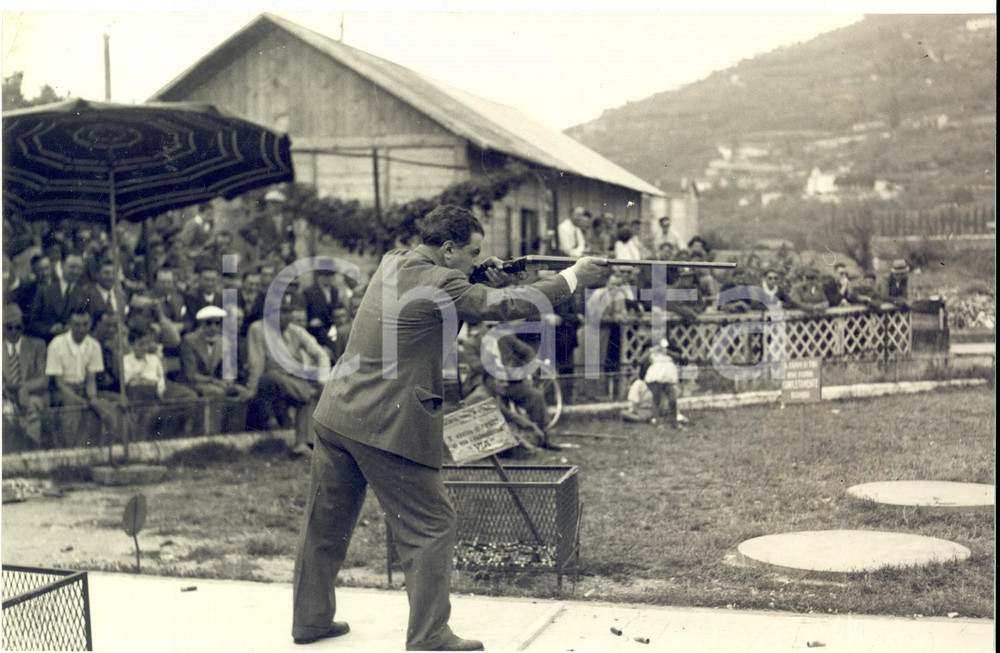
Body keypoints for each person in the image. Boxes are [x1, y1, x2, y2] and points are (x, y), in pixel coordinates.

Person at [292, 204, 606, 650]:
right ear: (447, 248)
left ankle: (310, 621)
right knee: (432, 525)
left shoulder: (394, 260)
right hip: (388, 423)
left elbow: (447, 288)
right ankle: (430, 635)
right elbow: (508, 305)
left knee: (324, 524)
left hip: (336, 414)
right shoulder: (443, 282)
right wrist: (573, 276)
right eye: (472, 252)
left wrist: (477, 272)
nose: (477, 259)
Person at [245, 296, 330, 456]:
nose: (289, 316)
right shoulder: (258, 329)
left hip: (292, 384)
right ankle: (308, 393)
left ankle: (302, 444)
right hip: (267, 383)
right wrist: (250, 391)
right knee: (276, 377)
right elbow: (257, 364)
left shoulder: (295, 331)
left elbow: (321, 354)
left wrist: (322, 380)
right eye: (283, 311)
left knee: (307, 397)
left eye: (290, 311)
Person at [45, 308, 120, 449]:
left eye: (85, 324)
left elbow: (91, 380)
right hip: (62, 391)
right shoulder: (56, 344)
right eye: (77, 325)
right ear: (69, 324)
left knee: (114, 404)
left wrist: (92, 398)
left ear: (90, 324)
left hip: (84, 389)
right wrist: (81, 401)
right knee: (73, 408)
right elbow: (59, 383)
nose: (81, 329)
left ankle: (109, 448)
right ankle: (73, 451)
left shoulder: (94, 345)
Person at [2, 304, 49, 451]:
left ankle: (33, 451)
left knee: (31, 408)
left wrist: (23, 387)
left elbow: (44, 380)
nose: (14, 331)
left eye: (18, 327)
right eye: (9, 327)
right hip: (5, 397)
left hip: (33, 395)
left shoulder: (37, 346)